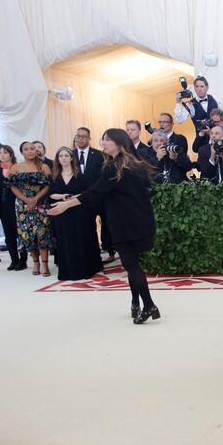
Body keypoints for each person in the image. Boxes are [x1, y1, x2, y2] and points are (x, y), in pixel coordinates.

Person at [49, 129, 159, 324]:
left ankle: (149, 305)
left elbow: (94, 193)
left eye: (107, 140)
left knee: (131, 265)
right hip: (140, 219)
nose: (103, 143)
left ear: (119, 142)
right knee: (132, 263)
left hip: (124, 222)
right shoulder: (135, 163)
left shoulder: (115, 167)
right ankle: (135, 302)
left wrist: (66, 204)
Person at [48, 147, 103, 280]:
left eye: (66, 156)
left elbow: (87, 193)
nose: (64, 158)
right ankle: (68, 270)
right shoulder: (54, 176)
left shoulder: (81, 175)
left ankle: (85, 269)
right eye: (61, 156)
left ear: (72, 158)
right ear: (57, 159)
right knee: (65, 241)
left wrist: (73, 198)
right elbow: (51, 194)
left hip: (80, 212)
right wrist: (63, 196)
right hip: (61, 213)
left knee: (81, 239)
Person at [7, 142, 54, 276]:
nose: (30, 151)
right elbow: (12, 186)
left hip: (41, 204)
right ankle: (36, 264)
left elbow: (48, 186)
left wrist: (35, 199)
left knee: (42, 234)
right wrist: (26, 199)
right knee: (29, 235)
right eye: (26, 149)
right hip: (23, 205)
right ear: (22, 152)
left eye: (32, 148)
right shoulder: (16, 167)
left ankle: (45, 265)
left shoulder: (44, 167)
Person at [73, 126, 114, 262]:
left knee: (106, 224)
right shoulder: (70, 155)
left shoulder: (100, 155)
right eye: (78, 136)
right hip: (79, 197)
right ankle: (90, 251)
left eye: (84, 136)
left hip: (99, 196)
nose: (80, 139)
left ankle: (110, 250)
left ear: (89, 138)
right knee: (86, 225)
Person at [0, 145, 26, 270]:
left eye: (5, 152)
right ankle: (14, 259)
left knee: (21, 233)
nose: (2, 155)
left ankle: (23, 260)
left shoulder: (17, 168)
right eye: (0, 153)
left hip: (17, 203)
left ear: (11, 154)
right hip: (3, 205)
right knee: (9, 234)